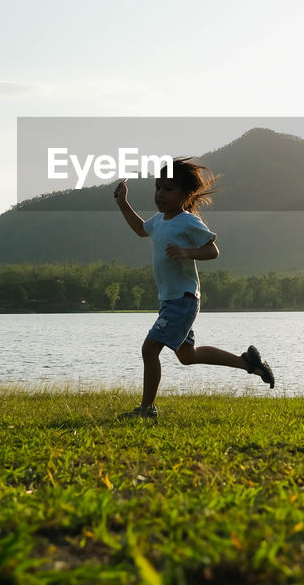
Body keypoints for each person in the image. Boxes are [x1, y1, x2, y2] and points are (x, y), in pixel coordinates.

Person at [113, 157, 274, 421]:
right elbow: (141, 230)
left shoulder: (187, 221)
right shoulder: (159, 220)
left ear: (185, 194)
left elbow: (213, 250)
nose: (160, 194)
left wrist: (187, 252)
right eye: (158, 187)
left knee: (149, 349)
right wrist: (123, 203)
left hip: (183, 300)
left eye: (168, 189)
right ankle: (248, 362)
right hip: (171, 301)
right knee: (188, 355)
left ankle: (146, 410)